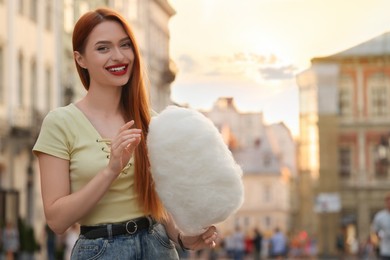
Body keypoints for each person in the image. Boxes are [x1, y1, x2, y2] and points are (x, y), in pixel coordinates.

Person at [32, 7, 217, 260]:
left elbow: (155, 202)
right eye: (103, 48)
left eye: (125, 45)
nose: (118, 56)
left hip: (158, 246)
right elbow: (57, 220)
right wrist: (110, 171)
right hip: (101, 250)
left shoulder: (148, 119)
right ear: (80, 59)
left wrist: (184, 237)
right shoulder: (60, 123)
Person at [372, 191, 390, 260]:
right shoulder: (379, 216)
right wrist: (380, 237)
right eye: (388, 201)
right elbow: (376, 231)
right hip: (385, 251)